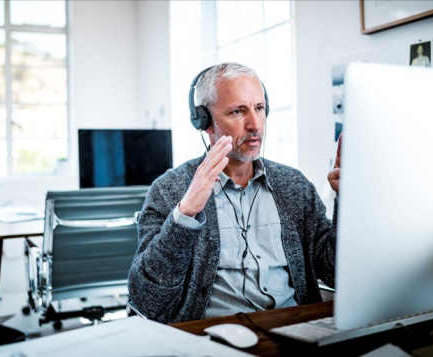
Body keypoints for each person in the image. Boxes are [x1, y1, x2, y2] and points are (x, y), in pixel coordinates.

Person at [128, 62, 341, 324]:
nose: (255, 124)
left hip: (296, 331)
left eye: (260, 108)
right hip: (213, 340)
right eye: (238, 111)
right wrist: (184, 215)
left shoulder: (293, 185)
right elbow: (147, 299)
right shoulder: (170, 189)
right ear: (204, 121)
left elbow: (335, 273)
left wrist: (349, 201)